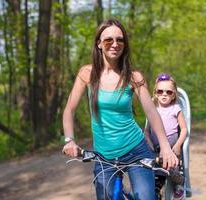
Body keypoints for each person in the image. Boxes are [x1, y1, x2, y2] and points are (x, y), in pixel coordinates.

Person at [62, 19, 178, 200]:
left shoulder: (134, 76)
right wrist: (69, 140)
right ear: (99, 44)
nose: (115, 44)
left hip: (136, 151)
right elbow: (69, 109)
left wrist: (165, 147)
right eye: (108, 40)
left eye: (120, 40)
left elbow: (152, 113)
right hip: (103, 156)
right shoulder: (87, 74)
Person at [145, 73, 187, 200]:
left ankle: (180, 183)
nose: (164, 94)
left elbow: (184, 129)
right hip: (155, 147)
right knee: (152, 169)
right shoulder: (153, 109)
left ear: (173, 94)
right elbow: (146, 131)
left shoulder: (176, 108)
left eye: (168, 92)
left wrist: (178, 145)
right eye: (160, 91)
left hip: (172, 147)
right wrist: (148, 141)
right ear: (156, 93)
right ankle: (157, 189)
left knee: (170, 168)